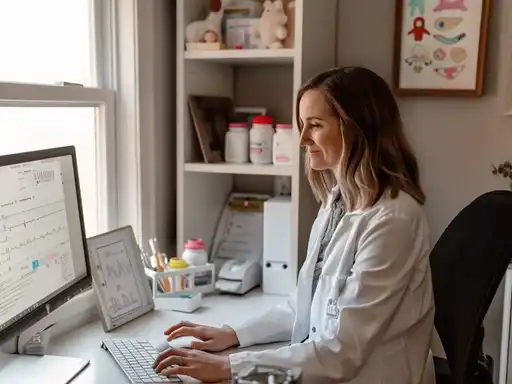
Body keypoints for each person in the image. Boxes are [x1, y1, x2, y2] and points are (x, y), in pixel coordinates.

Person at [153, 66, 436, 383]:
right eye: (303, 125)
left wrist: (228, 367)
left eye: (314, 126)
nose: (302, 139)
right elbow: (303, 305)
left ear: (358, 129)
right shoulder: (338, 201)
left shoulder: (393, 221)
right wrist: (232, 334)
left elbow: (342, 352)